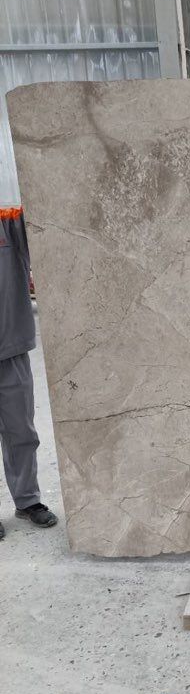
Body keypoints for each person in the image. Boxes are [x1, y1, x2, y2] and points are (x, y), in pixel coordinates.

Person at [0, 206, 57, 540]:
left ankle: (28, 500)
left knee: (21, 431)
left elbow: (43, 222)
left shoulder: (9, 222)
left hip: (11, 348)